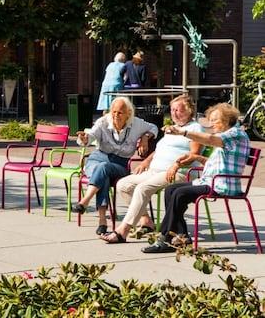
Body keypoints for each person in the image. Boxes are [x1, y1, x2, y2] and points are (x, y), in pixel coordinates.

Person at [142, 103, 250, 253]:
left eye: (215, 120)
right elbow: (217, 163)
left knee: (180, 194)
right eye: (210, 120)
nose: (211, 124)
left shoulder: (235, 134)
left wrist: (183, 133)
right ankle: (182, 237)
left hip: (222, 184)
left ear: (227, 120)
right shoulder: (228, 135)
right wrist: (197, 157)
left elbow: (210, 140)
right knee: (171, 190)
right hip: (211, 180)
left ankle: (165, 238)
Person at [100, 95, 203, 243]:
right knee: (123, 185)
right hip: (155, 171)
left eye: (178, 110)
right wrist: (146, 161)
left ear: (189, 111)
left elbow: (194, 154)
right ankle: (146, 221)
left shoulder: (195, 128)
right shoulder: (172, 128)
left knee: (142, 188)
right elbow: (160, 149)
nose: (173, 113)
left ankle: (123, 231)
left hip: (178, 173)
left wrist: (176, 165)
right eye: (172, 109)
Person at [73, 97, 158, 235]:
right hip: (97, 159)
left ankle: (85, 201)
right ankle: (102, 221)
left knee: (103, 169)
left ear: (128, 114)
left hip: (120, 164)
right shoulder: (103, 122)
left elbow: (154, 127)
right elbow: (91, 136)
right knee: (103, 174)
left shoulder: (136, 123)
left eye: (120, 113)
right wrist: (84, 139)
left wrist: (145, 137)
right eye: (113, 112)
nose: (115, 115)